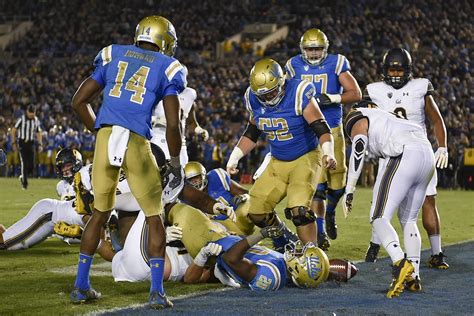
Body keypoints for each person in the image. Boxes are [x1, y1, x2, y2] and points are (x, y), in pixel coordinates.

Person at [70, 15, 186, 308]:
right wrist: (173, 160)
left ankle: (81, 286)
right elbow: (173, 124)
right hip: (135, 141)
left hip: (106, 137)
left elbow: (78, 101)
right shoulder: (167, 66)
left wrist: (100, 132)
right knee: (154, 215)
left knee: (99, 213)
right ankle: (157, 292)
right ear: (165, 41)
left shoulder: (113, 53)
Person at [226, 58, 336, 246]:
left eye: (272, 92)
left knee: (300, 210)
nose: (268, 98)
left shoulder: (298, 92)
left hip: (305, 157)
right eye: (264, 95)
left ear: (282, 81)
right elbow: (252, 132)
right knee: (257, 212)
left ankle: (312, 253)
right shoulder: (252, 98)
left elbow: (321, 127)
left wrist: (328, 151)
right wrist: (234, 157)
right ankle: (285, 240)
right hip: (277, 161)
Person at [363, 48, 449, 269]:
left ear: (408, 70)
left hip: (411, 151)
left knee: (425, 203)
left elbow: (436, 119)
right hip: (397, 153)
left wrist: (443, 147)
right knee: (381, 203)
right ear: (384, 69)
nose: (396, 74)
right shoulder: (374, 90)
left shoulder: (420, 87)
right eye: (392, 69)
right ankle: (375, 246)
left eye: (399, 69)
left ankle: (436, 253)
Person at [342, 101, 435, 298]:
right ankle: (414, 276)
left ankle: (400, 263)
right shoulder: (390, 118)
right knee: (409, 219)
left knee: (378, 217)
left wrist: (350, 187)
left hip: (405, 153)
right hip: (427, 153)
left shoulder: (358, 114)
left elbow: (359, 146)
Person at [285, 28, 362, 249]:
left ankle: (330, 213)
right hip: (308, 131)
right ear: (303, 49)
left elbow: (355, 93)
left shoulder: (337, 63)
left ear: (325, 48)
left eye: (318, 48)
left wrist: (332, 97)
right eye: (310, 49)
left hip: (333, 128)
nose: (314, 53)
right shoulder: (293, 65)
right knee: (317, 187)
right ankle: (319, 232)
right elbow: (286, 93)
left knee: (338, 185)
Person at [185, 161, 298, 251]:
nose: (195, 182)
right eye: (191, 180)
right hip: (219, 231)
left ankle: (281, 240)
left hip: (238, 219)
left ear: (203, 175)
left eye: (197, 177)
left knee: (252, 204)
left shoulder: (216, 177)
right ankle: (246, 245)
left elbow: (244, 192)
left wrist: (244, 197)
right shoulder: (185, 199)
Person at [0, 149, 88, 250]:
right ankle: (8, 237)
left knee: (45, 208)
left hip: (82, 222)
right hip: (66, 227)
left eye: (68, 165)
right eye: (62, 167)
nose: (64, 169)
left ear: (76, 163)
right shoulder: (61, 186)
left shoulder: (85, 177)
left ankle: (6, 240)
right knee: (57, 227)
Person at [211, 228, 330, 290]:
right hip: (225, 236)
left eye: (301, 254)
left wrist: (260, 235)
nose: (297, 250)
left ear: (300, 267)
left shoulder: (271, 275)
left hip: (211, 248)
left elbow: (230, 259)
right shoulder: (284, 266)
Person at [151, 76, 209, 165]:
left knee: (181, 172)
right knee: (158, 168)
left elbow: (191, 122)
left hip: (180, 140)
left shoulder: (190, 95)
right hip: (158, 135)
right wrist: (155, 119)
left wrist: (200, 130)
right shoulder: (159, 89)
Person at [11, 105, 43, 190]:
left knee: (32, 165)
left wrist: (40, 144)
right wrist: (13, 142)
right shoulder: (22, 119)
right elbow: (14, 130)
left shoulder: (36, 120)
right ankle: (24, 184)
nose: (32, 115)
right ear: (27, 112)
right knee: (24, 163)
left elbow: (39, 132)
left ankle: (22, 176)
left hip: (31, 143)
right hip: (22, 143)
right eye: (30, 113)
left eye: (33, 113)